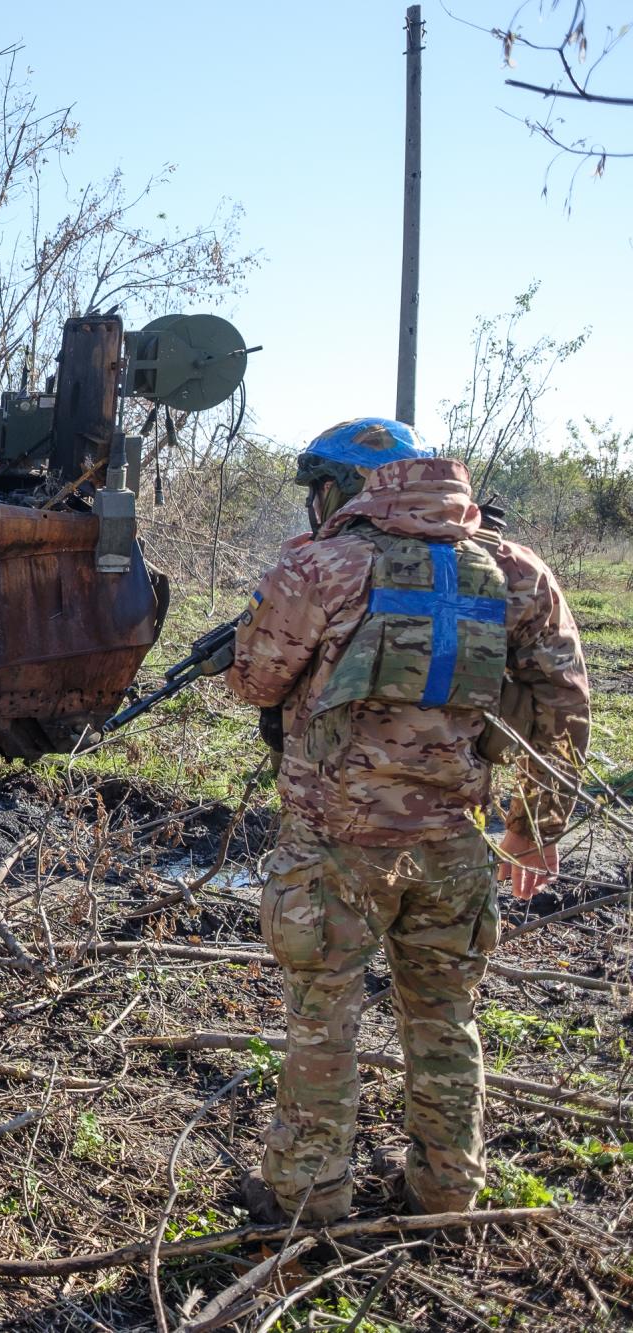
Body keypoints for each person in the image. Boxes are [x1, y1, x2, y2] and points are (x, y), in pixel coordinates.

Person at [219, 417, 589, 1223]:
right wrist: (535, 828)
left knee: (324, 1022)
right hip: (457, 840)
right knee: (446, 1015)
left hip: (336, 845)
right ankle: (447, 1192)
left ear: (334, 490)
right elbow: (563, 702)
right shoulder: (517, 568)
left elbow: (253, 679)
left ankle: (310, 1202)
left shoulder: (321, 564)